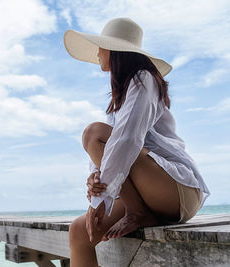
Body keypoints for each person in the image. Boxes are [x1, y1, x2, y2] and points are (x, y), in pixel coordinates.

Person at [62, 18, 210, 266]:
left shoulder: (144, 78)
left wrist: (101, 199)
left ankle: (137, 211)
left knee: (92, 133)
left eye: (102, 46)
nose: (98, 52)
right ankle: (138, 210)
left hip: (177, 191)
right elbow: (112, 150)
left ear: (116, 51)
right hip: (146, 195)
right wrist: (96, 179)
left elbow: (127, 140)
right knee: (80, 232)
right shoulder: (121, 99)